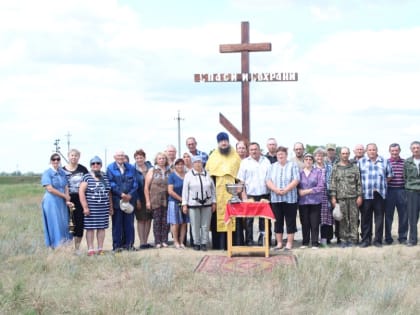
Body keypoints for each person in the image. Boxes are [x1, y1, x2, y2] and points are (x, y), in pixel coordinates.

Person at [206, 132, 241, 250]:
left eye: (225, 140)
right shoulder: (213, 156)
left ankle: (235, 244)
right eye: (221, 141)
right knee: (218, 218)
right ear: (218, 143)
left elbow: (240, 174)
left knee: (234, 218)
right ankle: (219, 245)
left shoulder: (235, 155)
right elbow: (209, 175)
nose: (224, 143)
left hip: (234, 192)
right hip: (217, 191)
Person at [358, 143, 393, 247]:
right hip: (366, 195)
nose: (372, 151)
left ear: (377, 150)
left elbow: (390, 176)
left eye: (374, 150)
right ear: (366, 151)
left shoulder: (385, 161)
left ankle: (377, 240)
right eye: (369, 150)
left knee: (379, 219)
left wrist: (380, 184)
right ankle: (366, 240)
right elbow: (357, 178)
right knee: (365, 219)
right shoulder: (361, 162)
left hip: (379, 195)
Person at [266, 146, 300, 250]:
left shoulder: (293, 165)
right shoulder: (272, 166)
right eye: (279, 154)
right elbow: (268, 180)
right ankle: (279, 243)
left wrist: (286, 189)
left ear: (286, 155)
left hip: (290, 198)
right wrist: (276, 190)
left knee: (290, 221)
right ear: (276, 155)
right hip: (276, 198)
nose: (280, 156)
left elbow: (296, 179)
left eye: (283, 154)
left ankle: (289, 243)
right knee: (278, 221)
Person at [237, 142, 271, 246]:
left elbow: (270, 179)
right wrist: (244, 197)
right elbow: (241, 181)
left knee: (264, 219)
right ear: (249, 151)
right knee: (249, 220)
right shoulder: (244, 162)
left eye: (256, 149)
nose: (254, 151)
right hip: (250, 195)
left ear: (260, 150)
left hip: (264, 194)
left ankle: (263, 240)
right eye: (251, 150)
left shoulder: (266, 161)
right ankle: (249, 240)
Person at [330, 147, 363, 247]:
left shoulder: (354, 167)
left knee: (354, 219)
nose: (345, 155)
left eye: (346, 153)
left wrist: (360, 196)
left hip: (353, 197)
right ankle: (344, 240)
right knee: (342, 219)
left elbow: (359, 183)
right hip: (341, 198)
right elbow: (333, 183)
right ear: (340, 154)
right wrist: (333, 197)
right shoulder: (335, 167)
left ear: (349, 154)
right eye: (343, 153)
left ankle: (353, 239)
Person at [79, 156, 112, 256]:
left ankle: (100, 248)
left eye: (98, 163)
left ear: (101, 165)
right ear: (91, 166)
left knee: (101, 228)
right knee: (90, 228)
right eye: (93, 164)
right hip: (91, 208)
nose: (95, 165)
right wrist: (85, 207)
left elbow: (109, 192)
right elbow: (81, 192)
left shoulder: (105, 176)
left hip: (103, 207)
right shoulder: (87, 177)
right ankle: (90, 249)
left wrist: (110, 206)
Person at [182, 155, 216, 251]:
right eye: (196, 162)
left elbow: (213, 190)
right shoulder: (188, 175)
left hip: (207, 203)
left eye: (199, 162)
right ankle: (196, 243)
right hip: (193, 204)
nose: (198, 164)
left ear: (202, 163)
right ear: (192, 164)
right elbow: (185, 191)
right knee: (195, 224)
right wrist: (185, 204)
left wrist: (214, 202)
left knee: (205, 224)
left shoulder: (208, 174)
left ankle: (204, 242)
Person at [107, 150, 138, 251]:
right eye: (118, 155)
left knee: (129, 224)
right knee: (117, 224)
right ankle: (117, 246)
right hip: (117, 200)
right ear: (114, 157)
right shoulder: (110, 168)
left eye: (122, 155)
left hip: (129, 200)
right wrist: (121, 194)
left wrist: (130, 194)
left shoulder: (131, 167)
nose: (120, 157)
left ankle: (129, 245)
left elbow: (135, 183)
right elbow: (111, 183)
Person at [40, 153, 72, 249]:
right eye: (53, 159)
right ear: (50, 161)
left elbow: (66, 186)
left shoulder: (62, 172)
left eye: (58, 159)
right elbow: (49, 188)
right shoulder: (47, 173)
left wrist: (67, 197)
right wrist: (64, 196)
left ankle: (65, 244)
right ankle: (55, 245)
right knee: (54, 222)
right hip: (51, 201)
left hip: (62, 202)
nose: (56, 161)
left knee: (64, 222)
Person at [63, 148, 88, 254]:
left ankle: (77, 248)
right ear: (68, 156)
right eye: (72, 155)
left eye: (76, 155)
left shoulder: (83, 169)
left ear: (79, 157)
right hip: (66, 199)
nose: (74, 157)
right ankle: (67, 247)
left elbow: (88, 183)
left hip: (80, 199)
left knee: (79, 223)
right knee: (68, 223)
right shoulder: (62, 170)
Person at [297, 153, 324, 249]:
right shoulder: (299, 173)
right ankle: (305, 242)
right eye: (306, 159)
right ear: (303, 161)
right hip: (303, 202)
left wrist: (307, 191)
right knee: (304, 222)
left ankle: (315, 242)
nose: (308, 161)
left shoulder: (318, 172)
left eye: (310, 159)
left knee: (315, 223)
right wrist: (299, 191)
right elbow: (297, 185)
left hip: (315, 201)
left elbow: (321, 187)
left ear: (313, 161)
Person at [144, 152, 171, 248]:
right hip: (155, 199)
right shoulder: (152, 170)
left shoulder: (170, 170)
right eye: (160, 158)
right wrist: (147, 201)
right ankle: (157, 241)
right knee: (157, 221)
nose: (162, 160)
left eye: (163, 158)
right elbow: (146, 187)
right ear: (156, 160)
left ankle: (164, 240)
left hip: (167, 199)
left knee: (166, 221)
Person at [385, 143, 408, 245]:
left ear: (399, 151)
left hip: (402, 191)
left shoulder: (405, 162)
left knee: (403, 215)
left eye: (396, 150)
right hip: (389, 191)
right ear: (389, 151)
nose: (394, 152)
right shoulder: (386, 162)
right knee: (388, 216)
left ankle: (402, 237)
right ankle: (388, 237)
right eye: (392, 150)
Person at [133, 149, 153, 249]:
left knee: (148, 219)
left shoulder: (151, 167)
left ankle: (146, 241)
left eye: (141, 157)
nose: (139, 159)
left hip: (150, 197)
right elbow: (133, 186)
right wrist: (136, 199)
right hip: (139, 197)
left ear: (144, 158)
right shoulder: (133, 169)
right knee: (141, 220)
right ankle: (141, 242)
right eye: (137, 158)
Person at [313, 148, 334, 247]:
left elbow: (332, 181)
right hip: (314, 196)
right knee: (315, 219)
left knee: (325, 219)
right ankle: (314, 240)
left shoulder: (329, 167)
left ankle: (324, 240)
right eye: (317, 155)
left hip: (326, 195)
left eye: (321, 155)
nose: (319, 157)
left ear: (324, 156)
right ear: (314, 157)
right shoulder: (312, 168)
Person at [167, 158, 188, 249]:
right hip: (174, 202)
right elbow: (170, 191)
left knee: (184, 222)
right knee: (175, 223)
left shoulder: (187, 175)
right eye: (178, 164)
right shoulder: (172, 176)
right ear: (175, 166)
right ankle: (176, 242)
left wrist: (185, 201)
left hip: (185, 203)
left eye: (181, 164)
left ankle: (182, 241)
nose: (180, 166)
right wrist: (181, 199)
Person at [404, 140, 420, 247]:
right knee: (413, 217)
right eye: (414, 148)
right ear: (411, 149)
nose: (416, 149)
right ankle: (413, 240)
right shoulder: (407, 162)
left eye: (418, 147)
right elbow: (405, 177)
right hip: (412, 192)